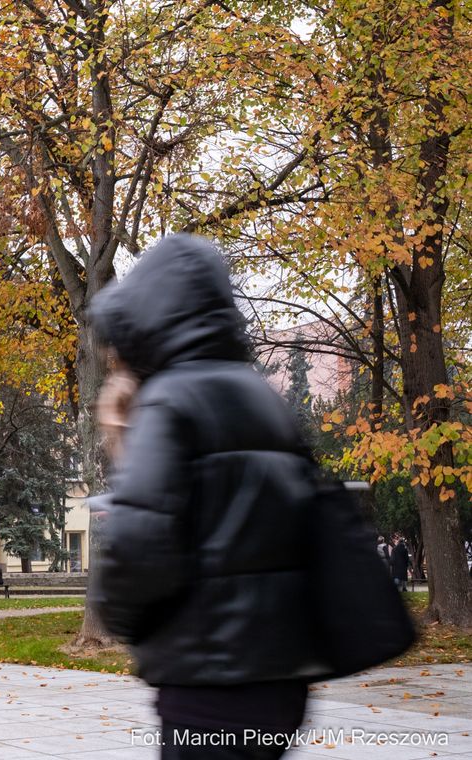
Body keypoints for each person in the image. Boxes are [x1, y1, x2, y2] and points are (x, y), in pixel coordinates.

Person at [90, 234, 324, 759]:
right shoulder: (259, 396)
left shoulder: (172, 402)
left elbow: (138, 546)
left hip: (208, 681)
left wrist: (122, 620)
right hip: (282, 678)